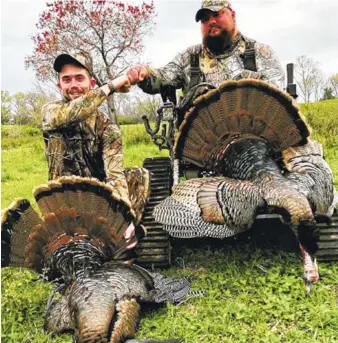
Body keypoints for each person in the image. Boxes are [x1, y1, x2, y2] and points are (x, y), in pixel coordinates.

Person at [41, 51, 149, 248]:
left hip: (99, 200)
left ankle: (123, 233)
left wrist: (123, 214)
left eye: (79, 78)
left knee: (138, 175)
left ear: (91, 84)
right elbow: (73, 112)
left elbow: (114, 175)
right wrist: (115, 84)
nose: (73, 84)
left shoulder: (107, 127)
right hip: (64, 201)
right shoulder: (51, 112)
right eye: (66, 79)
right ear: (60, 86)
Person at [126, 0, 285, 99]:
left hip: (255, 144)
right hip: (202, 148)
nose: (211, 21)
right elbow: (163, 77)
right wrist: (145, 73)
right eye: (205, 19)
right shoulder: (190, 57)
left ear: (233, 15)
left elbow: (278, 100)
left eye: (217, 14)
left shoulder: (261, 53)